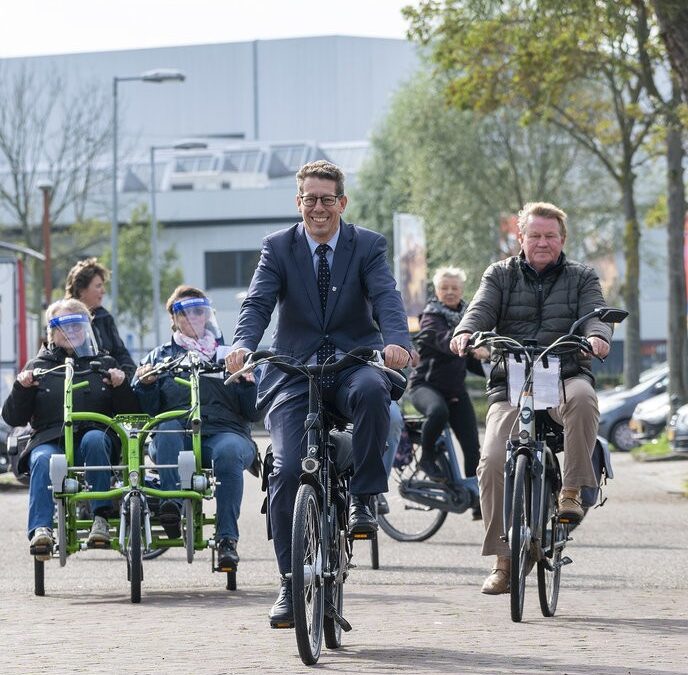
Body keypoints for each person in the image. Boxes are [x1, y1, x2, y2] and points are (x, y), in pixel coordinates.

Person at [224, 160, 412, 627]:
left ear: (342, 202)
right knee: (286, 471)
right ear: (298, 203)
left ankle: (365, 497)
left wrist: (397, 343)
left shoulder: (367, 245)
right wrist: (244, 343)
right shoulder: (278, 248)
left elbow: (387, 296)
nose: (319, 208)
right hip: (294, 370)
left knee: (373, 393)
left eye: (328, 199)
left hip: (352, 363)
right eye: (310, 199)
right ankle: (290, 584)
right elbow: (258, 302)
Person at [450, 201, 612, 595]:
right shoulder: (500, 274)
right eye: (534, 235)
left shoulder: (582, 276)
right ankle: (502, 560)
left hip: (564, 374)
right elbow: (480, 309)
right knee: (489, 461)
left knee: (585, 400)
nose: (542, 242)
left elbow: (596, 314)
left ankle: (570, 492)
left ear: (562, 239)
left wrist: (597, 336)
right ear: (520, 237)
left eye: (550, 236)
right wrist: (466, 332)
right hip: (513, 383)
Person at [133, 286, 258, 570]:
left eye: (199, 311)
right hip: (176, 435)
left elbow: (253, 411)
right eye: (185, 312)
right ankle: (171, 509)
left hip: (224, 432)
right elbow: (145, 409)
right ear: (173, 320)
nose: (193, 317)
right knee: (165, 429)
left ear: (208, 314)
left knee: (228, 452)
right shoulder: (159, 356)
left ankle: (227, 539)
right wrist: (145, 384)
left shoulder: (230, 356)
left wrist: (249, 385)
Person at [2, 299, 136, 558]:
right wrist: (22, 387)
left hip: (95, 434)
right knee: (42, 458)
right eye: (65, 326)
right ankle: (41, 529)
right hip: (51, 437)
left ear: (87, 329)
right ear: (51, 332)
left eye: (78, 325)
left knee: (95, 439)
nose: (72, 332)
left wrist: (121, 385)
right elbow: (12, 417)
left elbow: (131, 412)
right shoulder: (37, 366)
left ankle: (100, 519)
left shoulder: (104, 362)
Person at [409, 267, 484, 497]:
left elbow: (470, 363)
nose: (450, 292)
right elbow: (444, 342)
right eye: (444, 288)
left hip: (455, 390)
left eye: (455, 288)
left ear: (462, 290)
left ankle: (476, 498)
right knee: (438, 412)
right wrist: (471, 348)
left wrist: (494, 366)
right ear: (437, 290)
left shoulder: (468, 318)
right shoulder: (430, 317)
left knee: (473, 447)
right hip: (425, 386)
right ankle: (427, 459)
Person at [64, 258, 136, 380]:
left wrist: (128, 376)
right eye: (98, 286)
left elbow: (121, 354)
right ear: (81, 290)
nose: (103, 291)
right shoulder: (63, 320)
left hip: (107, 385)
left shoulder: (105, 318)